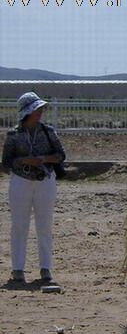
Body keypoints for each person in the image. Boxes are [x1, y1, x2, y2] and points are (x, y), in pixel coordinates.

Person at [2, 92, 66, 283]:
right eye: (36, 110)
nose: (39, 113)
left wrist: (43, 159)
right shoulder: (13, 135)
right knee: (19, 225)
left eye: (40, 109)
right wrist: (24, 161)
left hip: (45, 181)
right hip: (20, 181)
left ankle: (45, 268)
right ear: (26, 113)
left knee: (44, 225)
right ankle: (17, 268)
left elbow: (61, 155)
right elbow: (6, 162)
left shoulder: (48, 132)